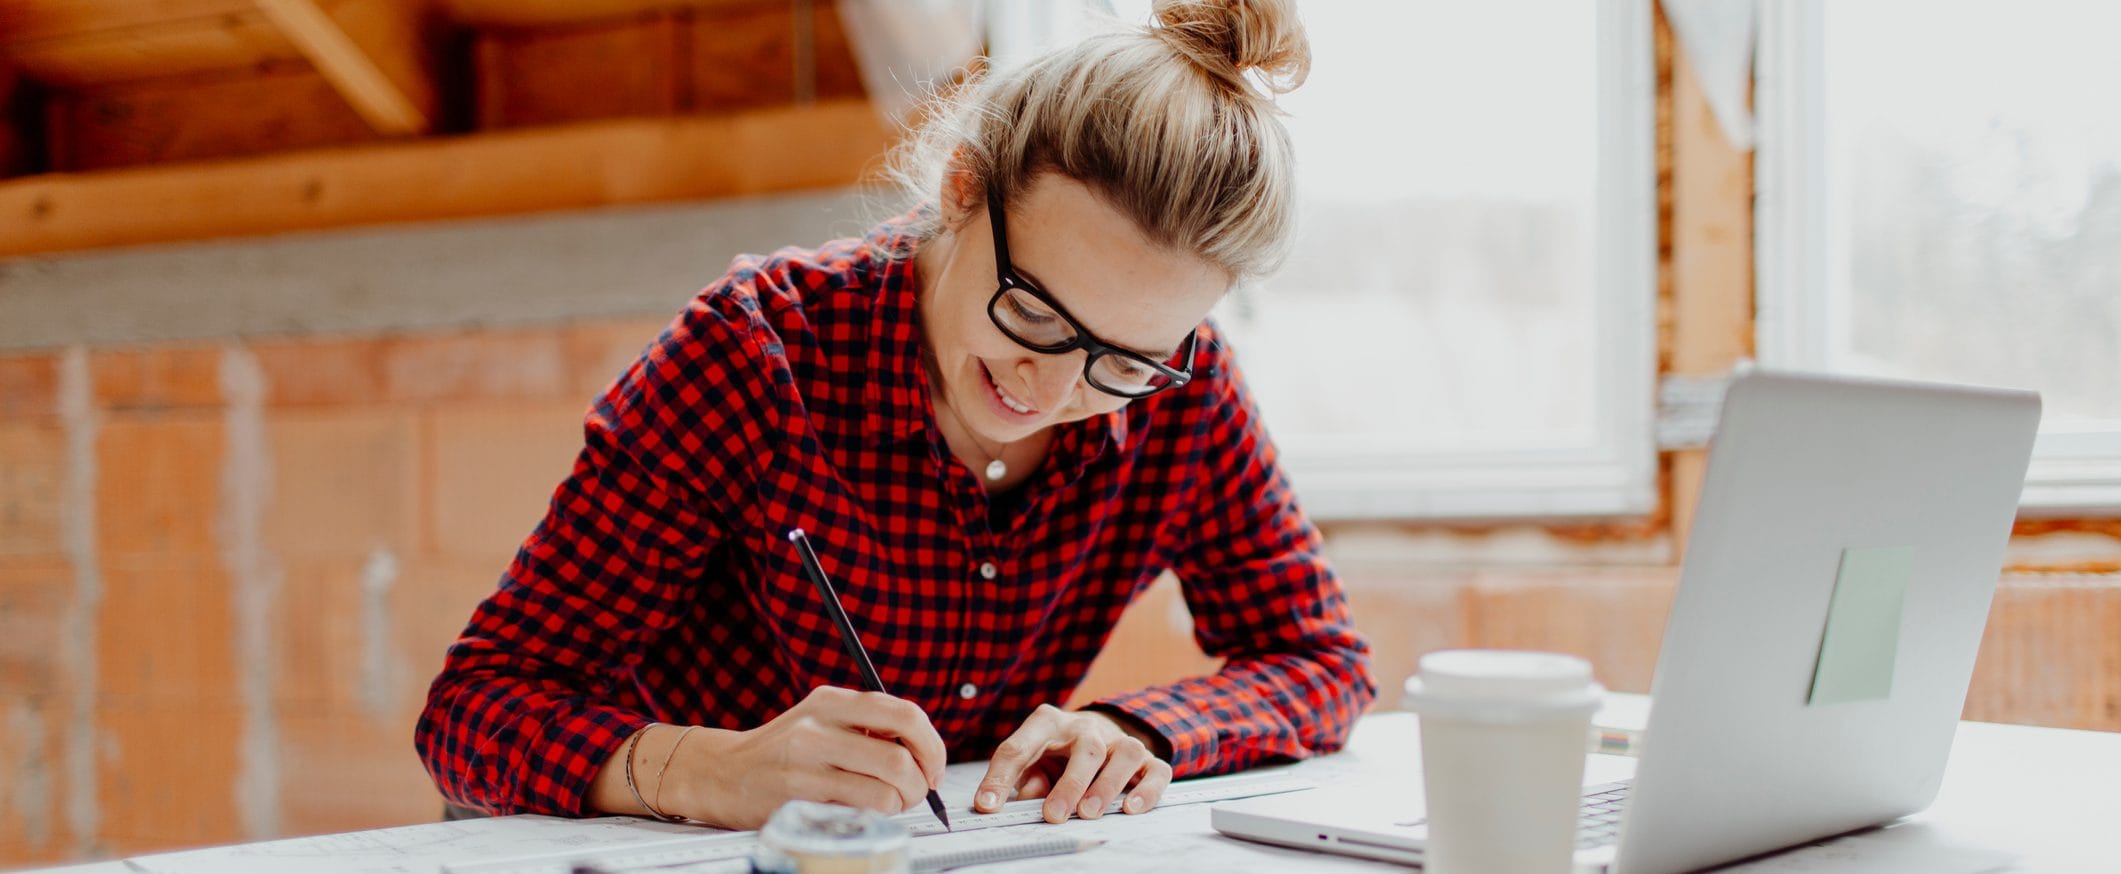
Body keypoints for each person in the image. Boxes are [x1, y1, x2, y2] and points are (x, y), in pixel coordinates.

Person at [414, 0, 1374, 831]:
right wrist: (716, 771)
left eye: (1121, 362)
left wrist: (1134, 730)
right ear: (962, 190)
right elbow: (474, 710)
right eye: (1031, 313)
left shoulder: (1188, 395)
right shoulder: (754, 354)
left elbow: (1320, 659)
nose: (1049, 390)